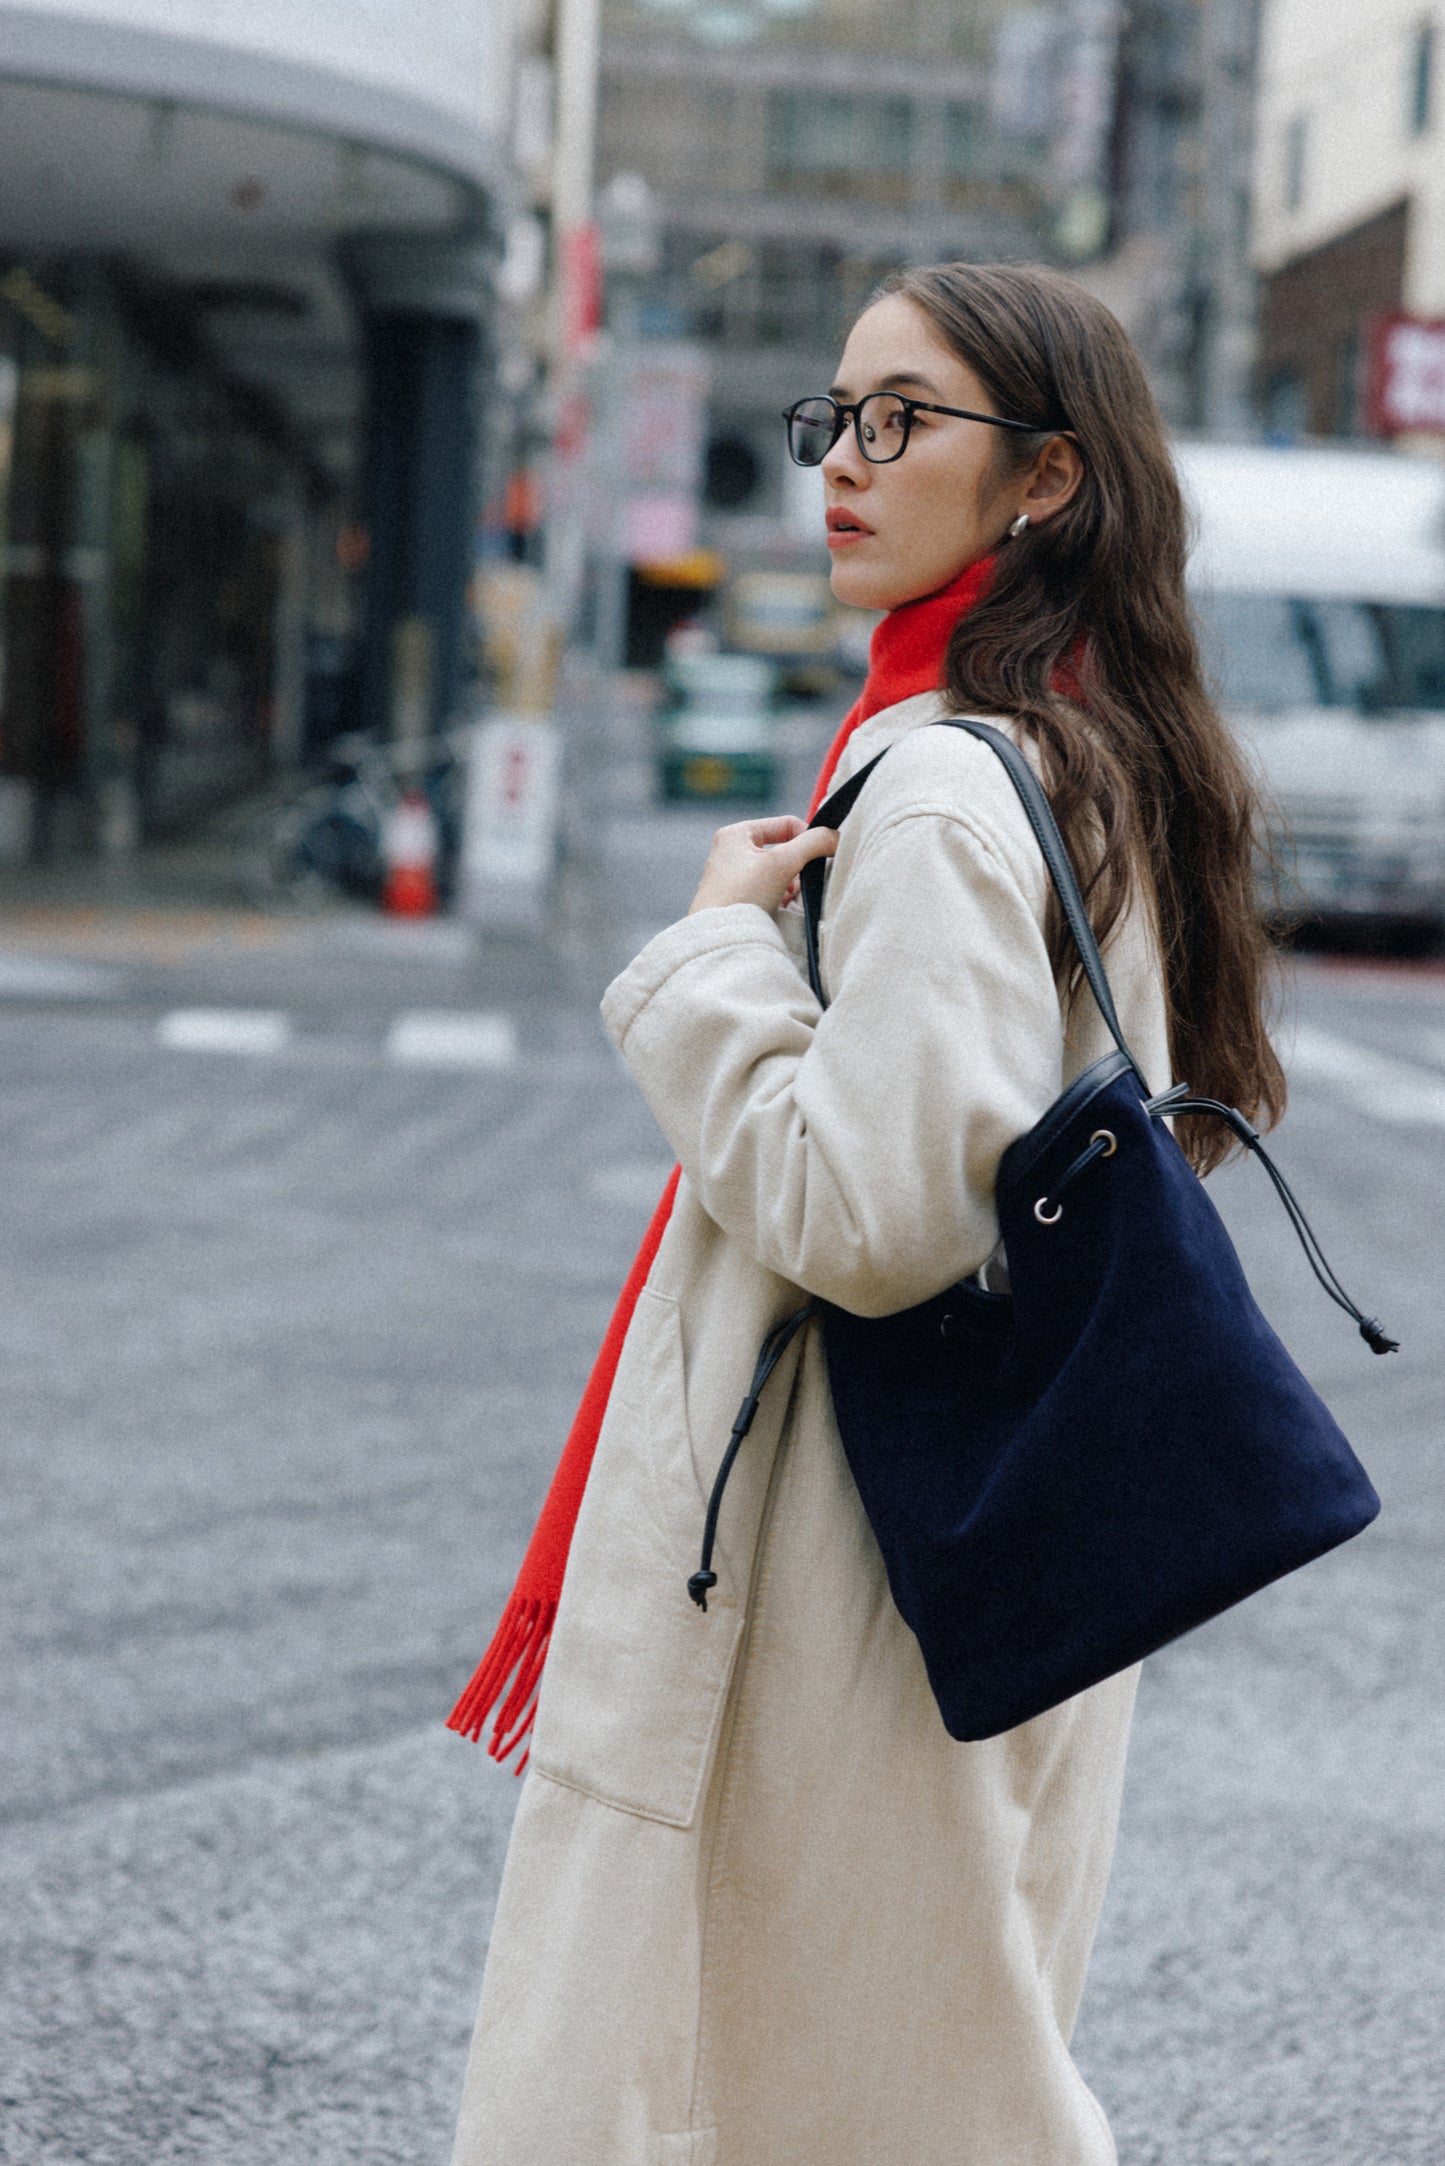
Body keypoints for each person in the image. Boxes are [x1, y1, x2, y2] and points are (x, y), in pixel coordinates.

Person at [448, 262, 1284, 2165]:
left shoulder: (927, 787)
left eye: (903, 419)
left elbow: (878, 1205)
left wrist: (707, 958)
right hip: (982, 1519)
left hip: (856, 1544)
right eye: (836, 416)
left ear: (1045, 479)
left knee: (835, 2081)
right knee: (897, 2041)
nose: (841, 460)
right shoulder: (1088, 745)